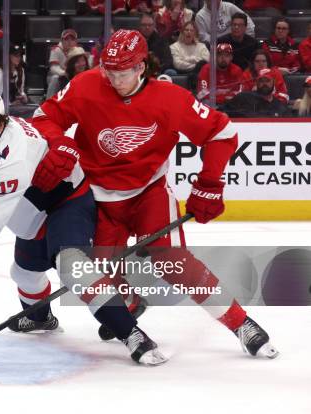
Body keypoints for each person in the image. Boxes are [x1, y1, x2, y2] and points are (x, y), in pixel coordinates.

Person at [30, 29, 278, 358]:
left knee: (174, 262)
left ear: (141, 68)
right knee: (101, 275)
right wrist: (59, 143)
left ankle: (240, 323)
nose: (113, 80)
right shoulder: (87, 84)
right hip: (100, 198)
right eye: (108, 71)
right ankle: (129, 304)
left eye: (121, 73)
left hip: (149, 193)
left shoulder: (169, 98)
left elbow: (222, 133)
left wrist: (209, 183)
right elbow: (44, 116)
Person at [0, 88, 168, 366]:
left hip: (67, 202)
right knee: (23, 273)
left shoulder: (12, 156)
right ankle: (40, 318)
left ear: (0, 124)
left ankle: (132, 333)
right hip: (32, 206)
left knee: (72, 267)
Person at [222, 68, 289, 117]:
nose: (264, 84)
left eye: (267, 81)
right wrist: (224, 114)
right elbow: (223, 111)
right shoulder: (243, 98)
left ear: (273, 82)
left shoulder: (279, 107)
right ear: (256, 83)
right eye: (261, 81)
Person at [46, 29, 79, 99]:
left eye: (72, 39)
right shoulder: (56, 49)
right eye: (66, 39)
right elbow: (53, 68)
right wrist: (65, 73)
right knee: (55, 78)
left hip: (72, 76)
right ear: (62, 40)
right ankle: (48, 103)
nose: (69, 42)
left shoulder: (78, 51)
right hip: (58, 76)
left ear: (76, 41)